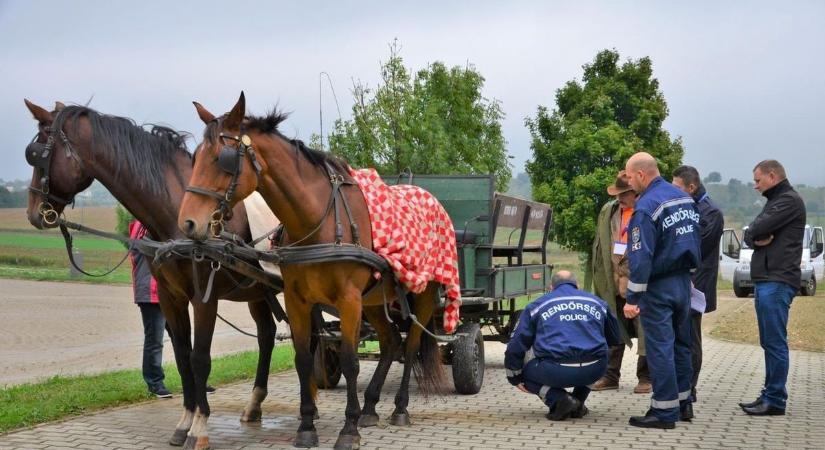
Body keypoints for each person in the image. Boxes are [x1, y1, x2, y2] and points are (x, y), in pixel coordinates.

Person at [623, 152, 701, 429]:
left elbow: (640, 256)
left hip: (659, 288)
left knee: (660, 349)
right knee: (682, 345)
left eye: (630, 177)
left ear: (642, 175)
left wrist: (632, 297)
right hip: (683, 284)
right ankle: (683, 404)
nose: (629, 183)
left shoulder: (646, 207)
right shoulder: (683, 198)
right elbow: (694, 239)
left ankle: (664, 412)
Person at [505, 270, 621, 421]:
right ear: (577, 286)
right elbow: (614, 338)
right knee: (600, 354)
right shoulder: (598, 303)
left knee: (523, 374)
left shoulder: (537, 306)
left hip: (554, 370)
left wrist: (514, 376)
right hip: (595, 370)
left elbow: (517, 343)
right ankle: (578, 402)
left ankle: (559, 399)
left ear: (551, 287)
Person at [739, 160, 805, 416]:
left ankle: (775, 399)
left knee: (775, 342)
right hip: (768, 278)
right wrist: (755, 238)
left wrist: (754, 235)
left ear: (772, 175)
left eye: (758, 180)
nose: (755, 186)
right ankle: (769, 393)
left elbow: (755, 228)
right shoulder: (776, 201)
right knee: (769, 342)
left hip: (777, 280)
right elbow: (750, 233)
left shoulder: (787, 200)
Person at [590, 171, 652, 394]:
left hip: (640, 282)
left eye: (624, 194)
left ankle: (646, 378)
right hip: (613, 280)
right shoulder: (610, 211)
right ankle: (609, 376)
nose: (619, 198)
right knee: (612, 329)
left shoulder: (647, 211)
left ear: (636, 192)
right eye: (617, 194)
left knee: (645, 331)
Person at [671, 165, 724, 402]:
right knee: (679, 336)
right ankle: (679, 384)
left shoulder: (710, 213)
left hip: (697, 285)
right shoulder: (686, 207)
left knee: (691, 337)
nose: (674, 192)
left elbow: (694, 248)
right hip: (681, 282)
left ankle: (689, 388)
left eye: (677, 187)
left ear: (691, 187)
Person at [129, 219, 171, 399]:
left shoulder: (149, 221)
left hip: (169, 292)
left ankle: (193, 379)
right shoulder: (144, 225)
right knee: (155, 340)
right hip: (151, 292)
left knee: (181, 338)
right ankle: (154, 382)